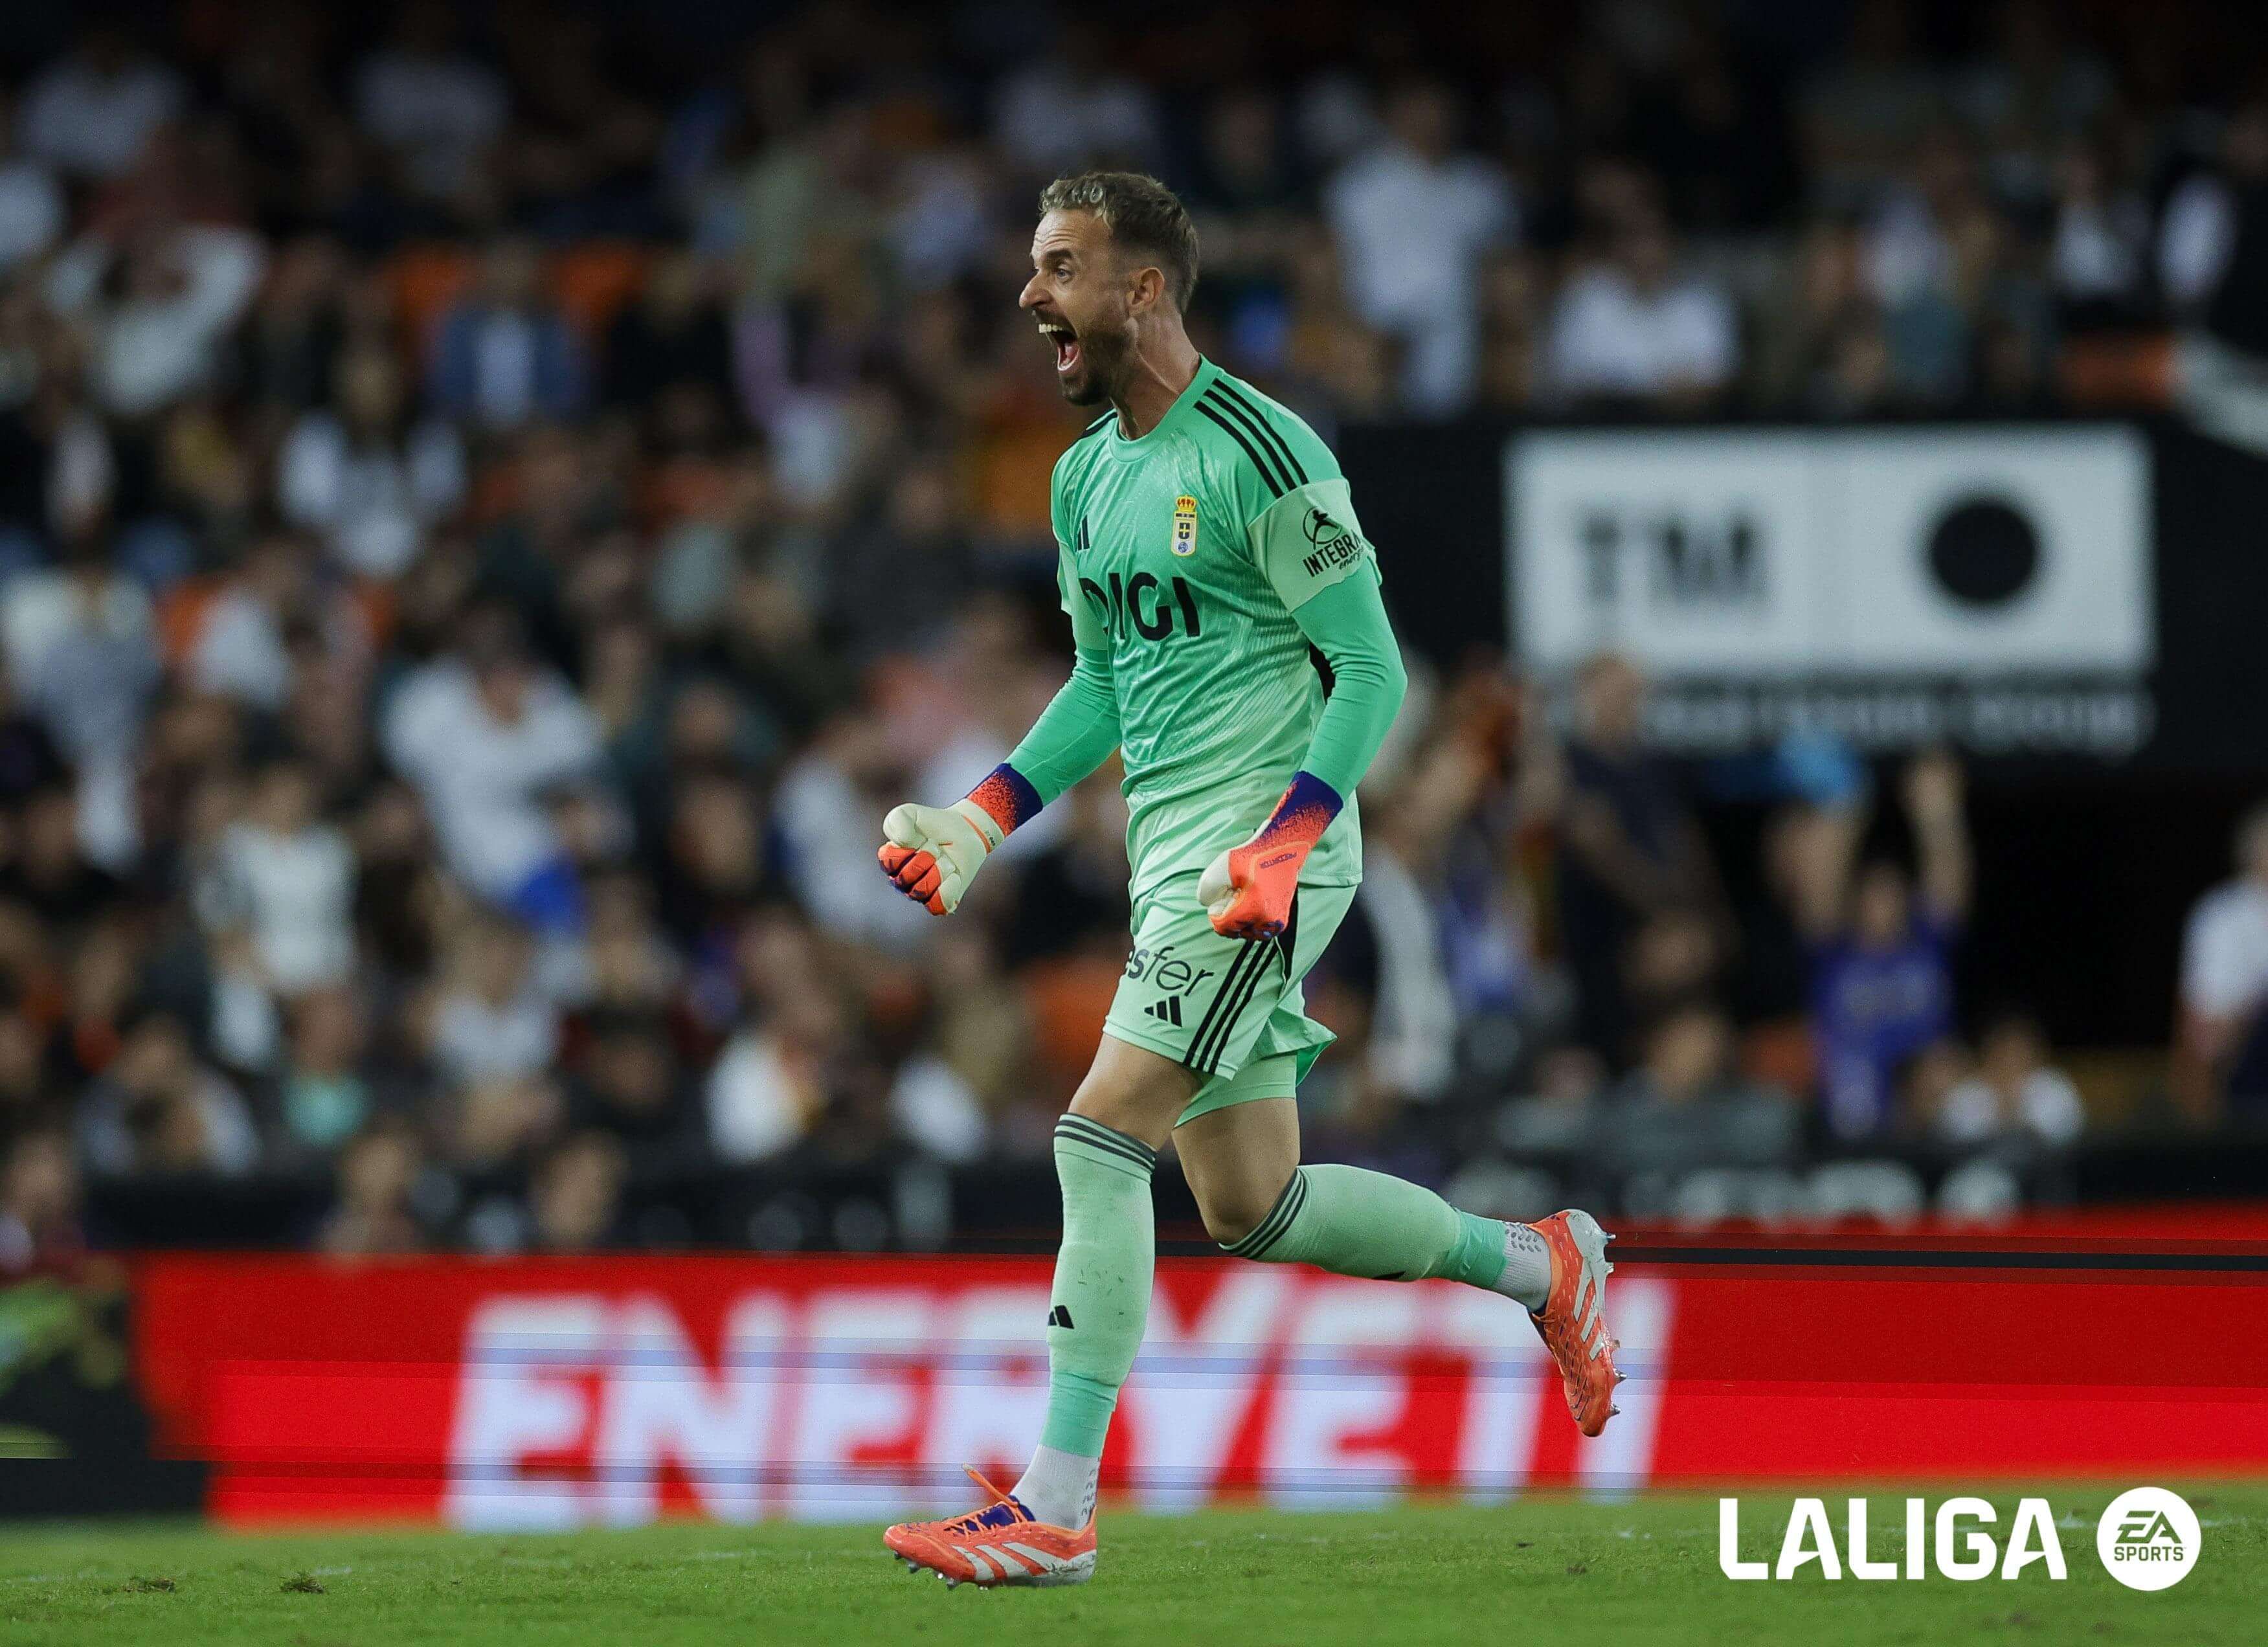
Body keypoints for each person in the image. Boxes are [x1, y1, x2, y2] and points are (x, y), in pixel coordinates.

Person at [874, 173, 1619, 1589]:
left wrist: (1287, 835)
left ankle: (1056, 1503)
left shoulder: (1264, 455)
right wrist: (985, 813)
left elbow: (1375, 668)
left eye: (1060, 268)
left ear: (1143, 288)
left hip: (1257, 861)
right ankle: (1546, 1266)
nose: (1032, 298)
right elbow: (1103, 682)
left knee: (1098, 1137)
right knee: (1248, 1206)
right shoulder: (1085, 475)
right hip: (1174, 864)